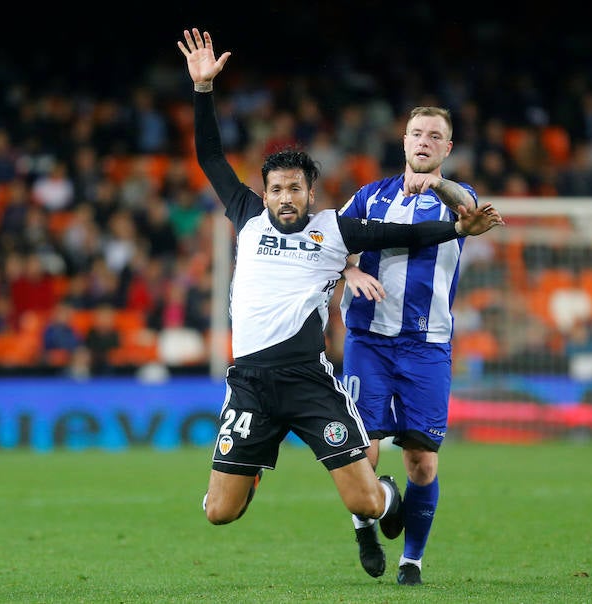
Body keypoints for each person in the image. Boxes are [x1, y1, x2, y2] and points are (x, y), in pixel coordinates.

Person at [177, 28, 503, 561]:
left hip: (309, 383)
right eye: (276, 189)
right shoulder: (246, 216)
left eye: (295, 189)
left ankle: (388, 497)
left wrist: (456, 229)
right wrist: (203, 89)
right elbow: (210, 157)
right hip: (250, 385)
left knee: (368, 501)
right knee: (219, 512)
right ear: (265, 194)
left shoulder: (332, 230)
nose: (285, 198)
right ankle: (250, 467)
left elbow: (400, 234)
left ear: (311, 193)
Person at [338, 104, 487, 584]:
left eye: (434, 136)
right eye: (417, 133)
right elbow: (327, 242)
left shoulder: (457, 199)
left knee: (421, 462)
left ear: (447, 147)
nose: (424, 141)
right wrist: (349, 271)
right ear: (404, 141)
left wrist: (438, 185)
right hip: (368, 341)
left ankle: (412, 561)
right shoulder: (370, 196)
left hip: (427, 346)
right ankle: (366, 527)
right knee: (363, 453)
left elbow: (468, 207)